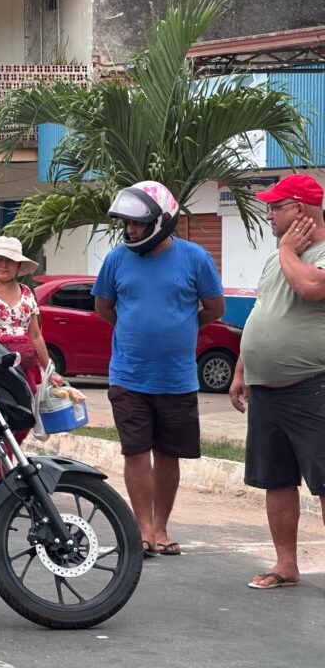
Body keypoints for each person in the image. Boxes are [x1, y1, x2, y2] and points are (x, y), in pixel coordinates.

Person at [92, 180, 224, 557]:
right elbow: (104, 307)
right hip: (129, 376)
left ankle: (162, 527)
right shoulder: (117, 259)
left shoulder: (196, 258)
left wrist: (182, 327)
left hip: (177, 378)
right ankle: (144, 530)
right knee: (135, 453)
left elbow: (214, 309)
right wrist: (134, 330)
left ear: (163, 221)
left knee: (168, 454)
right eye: (128, 224)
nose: (130, 230)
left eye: (138, 223)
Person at [228, 174, 325, 590]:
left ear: (300, 210)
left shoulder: (310, 254)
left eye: (276, 206)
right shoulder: (276, 257)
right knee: (276, 479)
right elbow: (261, 313)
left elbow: (310, 286)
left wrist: (287, 249)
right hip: (267, 390)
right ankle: (286, 564)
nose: (268, 214)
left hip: (312, 387)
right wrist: (241, 369)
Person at [0, 237, 62, 492]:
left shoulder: (27, 293)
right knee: (1, 423)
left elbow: (35, 335)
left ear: (18, 267)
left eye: (10, 261)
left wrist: (50, 370)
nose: (4, 265)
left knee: (24, 422)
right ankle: (0, 484)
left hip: (26, 370)